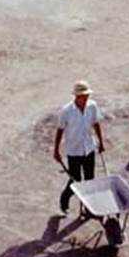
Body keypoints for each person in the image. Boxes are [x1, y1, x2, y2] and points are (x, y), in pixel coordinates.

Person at [53, 80, 106, 215]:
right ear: (77, 96)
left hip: (89, 148)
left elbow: (96, 123)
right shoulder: (66, 111)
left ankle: (89, 209)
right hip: (74, 151)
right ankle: (64, 200)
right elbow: (60, 130)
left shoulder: (92, 106)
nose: (87, 98)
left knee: (89, 180)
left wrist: (101, 142)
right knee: (75, 180)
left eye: (87, 95)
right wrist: (56, 150)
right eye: (84, 95)